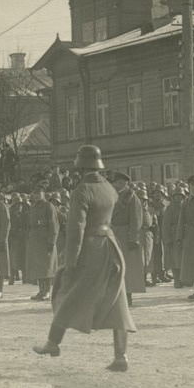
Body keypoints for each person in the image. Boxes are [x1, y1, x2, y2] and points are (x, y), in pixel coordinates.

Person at [33, 145, 136, 371]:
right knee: (117, 299)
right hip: (111, 245)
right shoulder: (109, 187)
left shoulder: (82, 190)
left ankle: (53, 343)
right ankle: (121, 356)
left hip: (90, 248)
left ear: (80, 166)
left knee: (67, 291)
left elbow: (76, 228)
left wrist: (71, 261)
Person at [109, 172, 145, 306]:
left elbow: (136, 221)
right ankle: (115, 296)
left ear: (123, 183)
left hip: (125, 235)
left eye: (115, 182)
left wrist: (133, 239)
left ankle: (128, 296)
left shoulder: (132, 198)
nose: (113, 185)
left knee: (127, 267)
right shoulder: (111, 197)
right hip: (112, 234)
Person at [26, 182, 59, 301]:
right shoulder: (33, 207)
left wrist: (52, 241)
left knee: (47, 267)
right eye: (34, 193)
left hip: (45, 240)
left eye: (38, 193)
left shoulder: (49, 206)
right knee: (38, 267)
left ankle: (47, 292)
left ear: (43, 193)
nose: (36, 195)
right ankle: (41, 291)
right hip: (35, 240)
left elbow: (54, 225)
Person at [8, 193, 28, 285]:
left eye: (21, 204)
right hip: (14, 237)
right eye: (17, 204)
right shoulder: (10, 214)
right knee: (13, 258)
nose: (19, 206)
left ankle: (25, 277)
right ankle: (12, 277)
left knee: (24, 257)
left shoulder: (25, 213)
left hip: (23, 237)